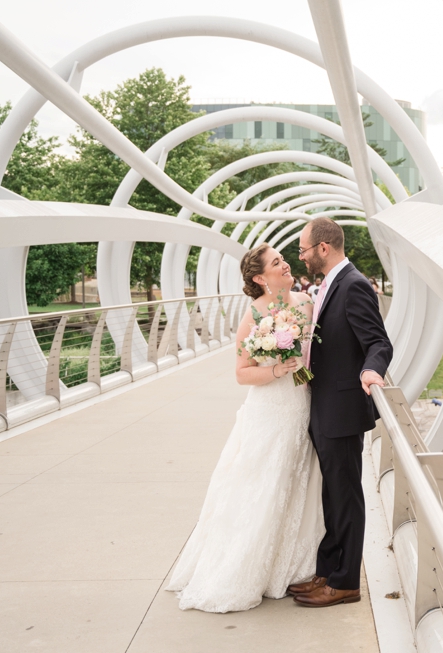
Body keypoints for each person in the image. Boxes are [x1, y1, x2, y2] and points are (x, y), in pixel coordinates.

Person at [165, 243, 324, 613]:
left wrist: (298, 370)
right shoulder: (254, 315)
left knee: (294, 482)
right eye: (275, 263)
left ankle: (289, 566)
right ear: (259, 277)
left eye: (283, 260)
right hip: (268, 412)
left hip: (300, 407)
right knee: (259, 484)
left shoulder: (304, 303)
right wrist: (276, 369)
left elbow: (309, 360)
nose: (285, 265)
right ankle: (244, 569)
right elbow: (242, 374)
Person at [289, 218, 393, 608]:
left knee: (346, 496)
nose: (300, 257)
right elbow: (325, 347)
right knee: (332, 496)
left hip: (343, 408)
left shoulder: (353, 286)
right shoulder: (328, 285)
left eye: (303, 249)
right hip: (324, 404)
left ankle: (346, 581)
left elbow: (378, 342)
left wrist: (372, 369)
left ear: (323, 248)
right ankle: (328, 571)